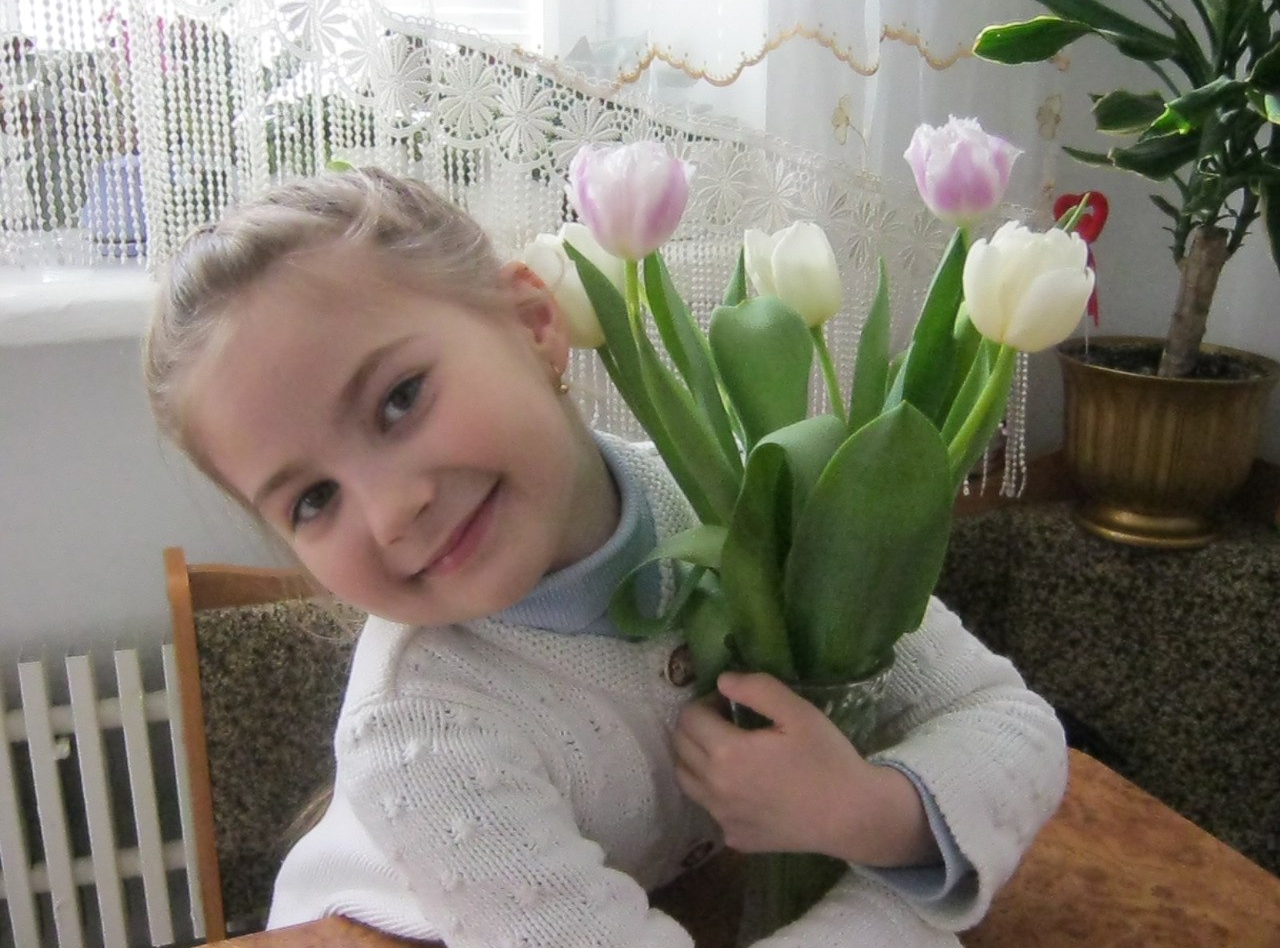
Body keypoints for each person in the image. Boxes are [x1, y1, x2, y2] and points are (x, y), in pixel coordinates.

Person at [144, 167, 1069, 948]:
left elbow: (1005, 721)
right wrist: (902, 915)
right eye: (312, 500)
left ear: (532, 322)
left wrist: (863, 813)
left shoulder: (748, 499)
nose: (391, 513)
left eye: (399, 399)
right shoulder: (418, 730)